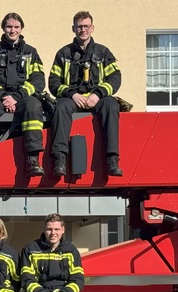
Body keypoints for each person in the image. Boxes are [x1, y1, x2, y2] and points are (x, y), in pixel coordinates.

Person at [48, 11, 123, 177]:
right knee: (60, 107)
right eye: (79, 26)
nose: (83, 30)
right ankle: (59, 158)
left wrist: (98, 94)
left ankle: (112, 159)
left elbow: (115, 78)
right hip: (72, 99)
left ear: (92, 28)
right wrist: (72, 94)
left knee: (111, 105)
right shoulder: (63, 53)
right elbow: (53, 83)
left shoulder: (103, 53)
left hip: (98, 98)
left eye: (86, 26)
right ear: (73, 28)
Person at [0, 12, 46, 178]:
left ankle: (33, 159)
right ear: (3, 28)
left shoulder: (31, 52)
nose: (12, 30)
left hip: (22, 98)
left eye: (16, 27)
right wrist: (3, 96)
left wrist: (17, 97)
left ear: (21, 29)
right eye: (9, 27)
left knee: (34, 106)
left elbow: (38, 80)